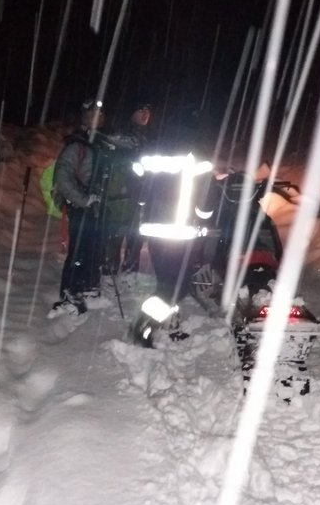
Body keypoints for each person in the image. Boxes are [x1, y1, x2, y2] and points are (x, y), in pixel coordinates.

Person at [127, 153, 216, 347]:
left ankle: (168, 323)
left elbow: (138, 193)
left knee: (166, 284)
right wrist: (203, 222)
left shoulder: (153, 158)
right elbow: (205, 208)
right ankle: (143, 325)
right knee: (176, 287)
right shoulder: (199, 164)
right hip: (178, 237)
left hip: (155, 234)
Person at [48, 99, 112, 318]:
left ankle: (88, 288)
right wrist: (84, 200)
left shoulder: (102, 143)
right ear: (84, 117)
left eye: (101, 114)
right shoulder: (77, 145)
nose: (98, 118)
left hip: (96, 205)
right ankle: (70, 294)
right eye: (93, 113)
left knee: (93, 248)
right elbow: (62, 178)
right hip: (81, 206)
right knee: (78, 250)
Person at [100, 101, 152, 275]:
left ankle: (131, 268)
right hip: (121, 189)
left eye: (147, 111)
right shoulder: (121, 133)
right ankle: (109, 268)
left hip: (141, 192)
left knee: (136, 232)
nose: (145, 114)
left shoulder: (149, 136)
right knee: (116, 230)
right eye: (141, 109)